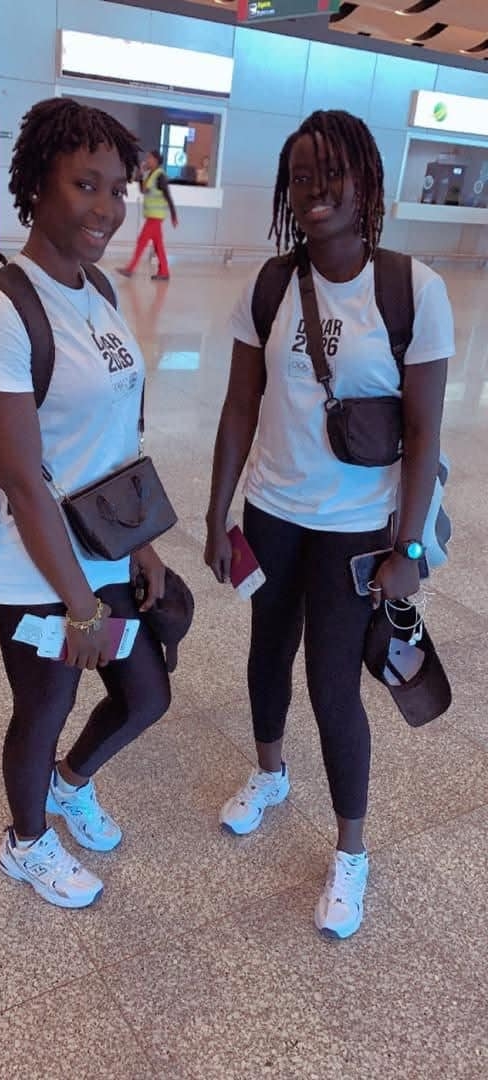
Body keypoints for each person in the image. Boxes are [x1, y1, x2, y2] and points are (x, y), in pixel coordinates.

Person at [204, 110, 454, 939]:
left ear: (367, 182)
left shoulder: (413, 290)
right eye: (301, 177)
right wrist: (216, 511)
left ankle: (352, 850)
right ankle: (270, 773)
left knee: (332, 684)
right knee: (266, 652)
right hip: (273, 512)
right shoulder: (268, 286)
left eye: (332, 174)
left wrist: (409, 548)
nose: (315, 192)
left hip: (356, 531)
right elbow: (241, 404)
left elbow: (423, 433)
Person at [0, 98, 172, 909]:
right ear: (36, 188)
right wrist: (79, 605)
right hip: (34, 570)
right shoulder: (0, 311)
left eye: (118, 189)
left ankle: (71, 782)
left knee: (147, 694)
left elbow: (117, 440)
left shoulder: (101, 292)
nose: (108, 208)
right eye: (86, 184)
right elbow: (21, 479)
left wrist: (142, 543)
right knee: (43, 708)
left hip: (104, 547)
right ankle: (27, 841)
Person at [117, 150, 178, 281]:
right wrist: (140, 173)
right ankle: (164, 271)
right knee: (158, 245)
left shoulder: (160, 176)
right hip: (152, 215)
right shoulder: (151, 175)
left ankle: (130, 269)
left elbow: (168, 195)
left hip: (156, 216)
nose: (147, 160)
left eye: (149, 158)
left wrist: (173, 215)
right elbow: (143, 190)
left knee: (142, 241)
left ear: (156, 160)